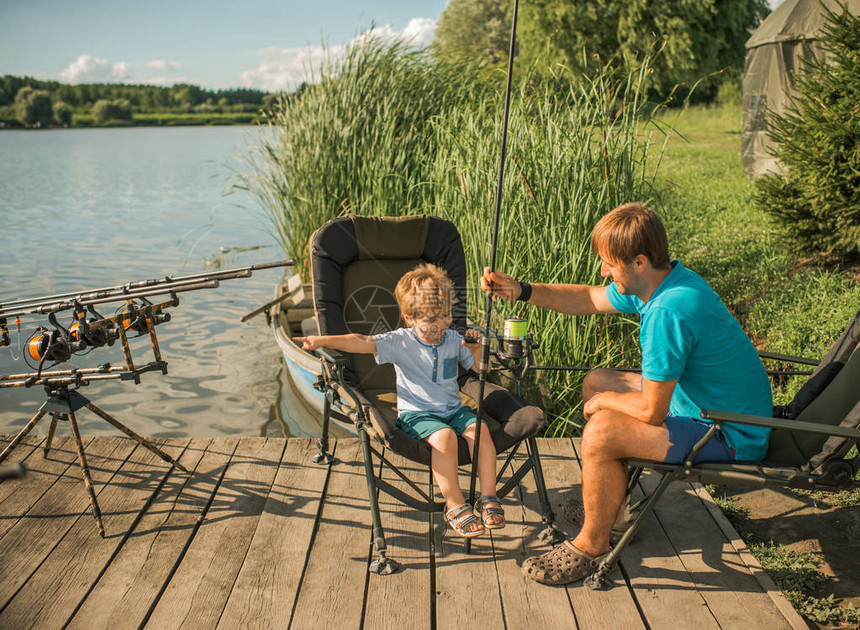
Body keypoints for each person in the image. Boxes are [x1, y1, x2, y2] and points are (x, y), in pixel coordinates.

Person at [480, 202, 772, 584]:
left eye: (609, 263)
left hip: (729, 433)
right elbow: (588, 298)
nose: (603, 271)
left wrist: (604, 405)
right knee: (598, 380)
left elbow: (652, 410)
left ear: (638, 261)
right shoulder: (666, 281)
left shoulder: (669, 310)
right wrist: (522, 291)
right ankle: (615, 516)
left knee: (601, 430)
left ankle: (590, 545)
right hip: (702, 405)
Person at [295, 263, 505, 538]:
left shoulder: (454, 339)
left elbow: (481, 370)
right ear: (409, 318)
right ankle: (455, 504)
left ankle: (488, 496)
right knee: (445, 439)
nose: (439, 325)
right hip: (417, 415)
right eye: (430, 320)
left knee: (481, 431)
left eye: (444, 316)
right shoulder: (401, 341)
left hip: (454, 409)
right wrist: (321, 340)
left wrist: (477, 349)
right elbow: (361, 340)